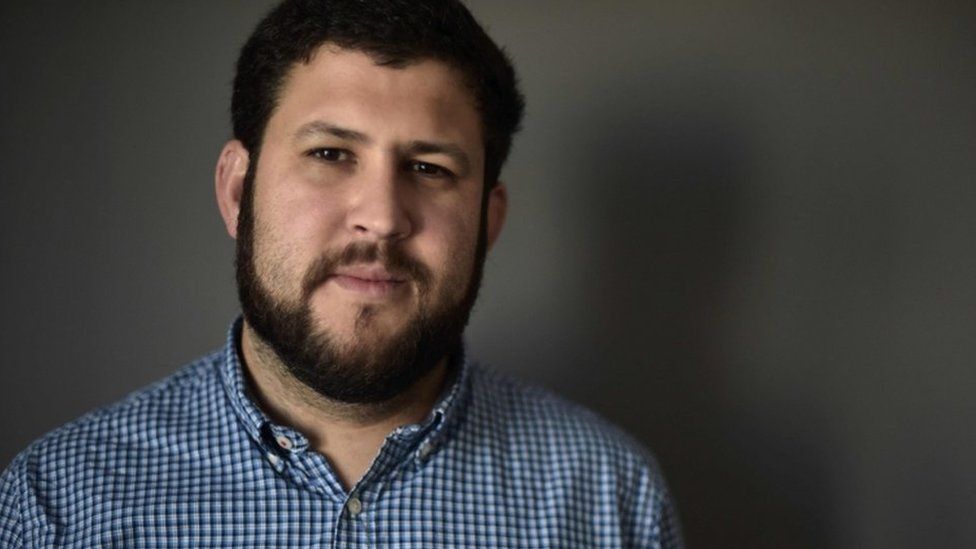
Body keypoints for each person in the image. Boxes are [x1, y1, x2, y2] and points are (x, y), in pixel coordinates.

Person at [0, 0, 682, 546]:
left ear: (488, 220)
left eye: (429, 169)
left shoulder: (611, 499)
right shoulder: (60, 503)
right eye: (330, 153)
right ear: (238, 191)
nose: (382, 217)